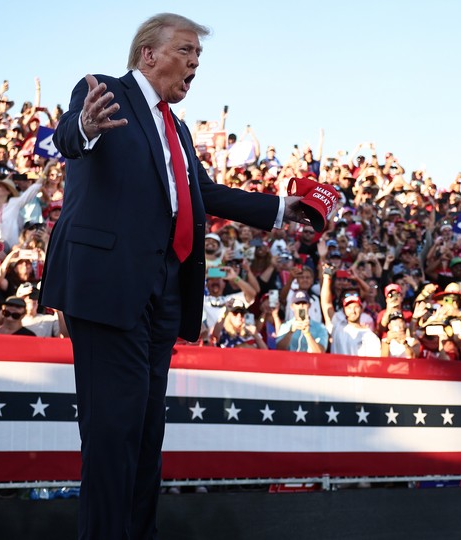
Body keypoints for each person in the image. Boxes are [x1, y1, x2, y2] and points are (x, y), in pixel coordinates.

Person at [38, 13, 315, 539]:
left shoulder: (178, 128)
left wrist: (282, 208)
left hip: (163, 289)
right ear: (148, 54)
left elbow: (203, 193)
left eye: (199, 56)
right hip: (107, 284)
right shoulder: (104, 93)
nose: (194, 63)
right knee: (113, 431)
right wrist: (85, 127)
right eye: (186, 51)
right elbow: (69, 136)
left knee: (146, 435)